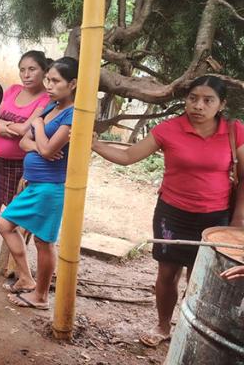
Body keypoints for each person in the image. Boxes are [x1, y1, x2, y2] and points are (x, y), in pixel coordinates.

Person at [92, 75, 244, 347]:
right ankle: (163, 326)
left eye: (207, 100)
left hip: (215, 219)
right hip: (171, 215)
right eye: (193, 98)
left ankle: (189, 328)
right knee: (166, 274)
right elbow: (128, 156)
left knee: (200, 277)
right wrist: (95, 144)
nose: (198, 105)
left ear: (221, 104)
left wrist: (237, 219)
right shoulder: (169, 129)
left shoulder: (235, 132)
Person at [0, 57, 77, 311]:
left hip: (51, 186)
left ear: (73, 84)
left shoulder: (72, 114)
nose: (49, 85)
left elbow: (48, 148)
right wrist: (40, 145)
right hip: (34, 183)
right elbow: (24, 143)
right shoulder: (51, 107)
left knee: (43, 241)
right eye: (48, 80)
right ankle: (27, 278)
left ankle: (40, 296)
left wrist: (39, 128)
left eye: (56, 81)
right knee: (5, 224)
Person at [0, 51, 51, 258]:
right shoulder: (12, 90)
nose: (26, 75)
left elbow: (24, 130)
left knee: (15, 211)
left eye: (32, 69)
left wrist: (0, 124)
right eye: (22, 70)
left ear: (44, 71)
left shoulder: (46, 99)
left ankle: (11, 260)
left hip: (19, 164)